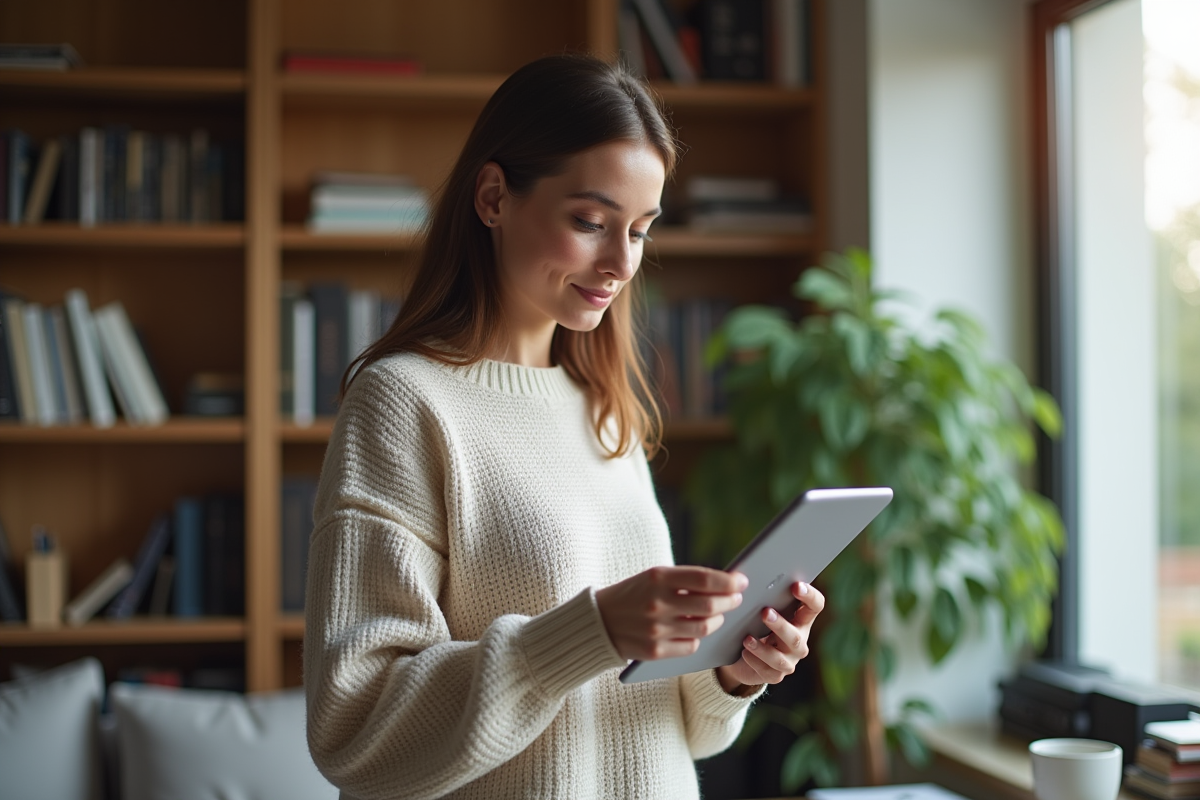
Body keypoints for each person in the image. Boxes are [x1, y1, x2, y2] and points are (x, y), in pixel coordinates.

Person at [303, 53, 826, 800]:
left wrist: (730, 673)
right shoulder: (403, 405)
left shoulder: (602, 405)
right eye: (590, 222)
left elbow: (678, 728)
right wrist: (590, 634)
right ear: (493, 197)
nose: (619, 263)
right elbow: (353, 730)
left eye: (641, 231)